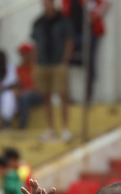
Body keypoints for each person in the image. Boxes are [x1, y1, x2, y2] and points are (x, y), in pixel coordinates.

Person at [32, 0, 75, 143]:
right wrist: (36, 61)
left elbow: (69, 40)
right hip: (43, 62)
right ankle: (51, 128)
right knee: (46, 96)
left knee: (62, 95)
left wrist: (65, 59)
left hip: (58, 62)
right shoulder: (38, 22)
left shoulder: (63, 20)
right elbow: (36, 43)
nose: (47, 5)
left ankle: (65, 128)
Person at [12, 41, 44, 129]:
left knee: (25, 97)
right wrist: (16, 92)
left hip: (37, 95)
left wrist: (23, 92)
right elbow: (17, 84)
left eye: (26, 54)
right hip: (23, 94)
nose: (24, 56)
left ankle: (22, 125)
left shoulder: (37, 67)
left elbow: (39, 86)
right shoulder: (19, 69)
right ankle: (6, 124)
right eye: (22, 54)